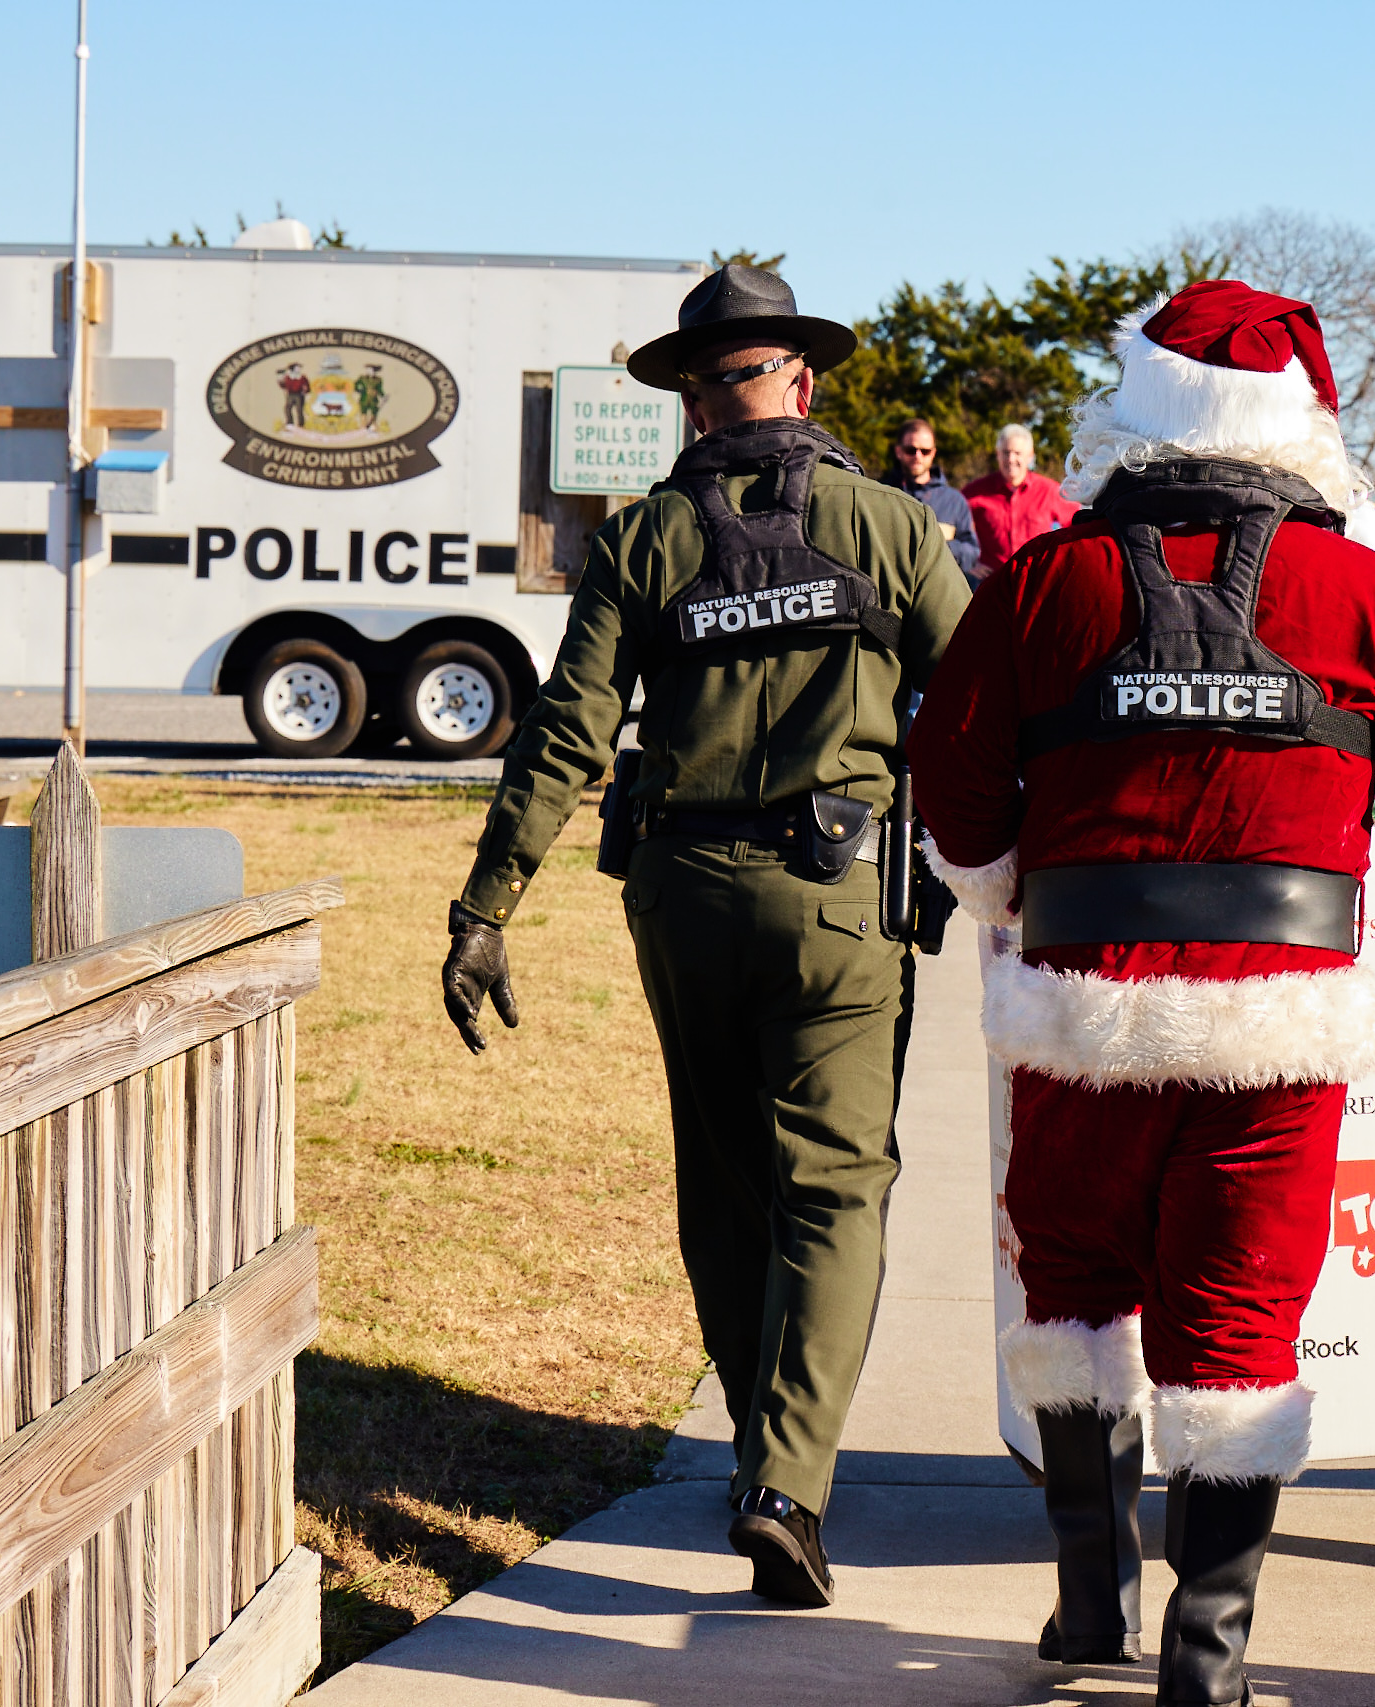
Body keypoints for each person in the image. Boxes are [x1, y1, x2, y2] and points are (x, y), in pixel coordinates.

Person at [910, 279, 1375, 1701]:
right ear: (1296, 428)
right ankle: (1209, 1657)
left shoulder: (1044, 581)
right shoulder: (1361, 588)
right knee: (1239, 1321)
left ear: (1136, 414)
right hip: (1280, 1031)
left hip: (1078, 1015)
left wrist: (1006, 875)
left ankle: (1088, 1605)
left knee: (1069, 1296)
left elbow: (947, 774)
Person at [437, 263, 968, 1608]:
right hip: (843, 902)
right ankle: (790, 1479)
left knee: (727, 1185)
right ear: (802, 380)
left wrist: (486, 904)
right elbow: (978, 707)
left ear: (693, 400)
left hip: (683, 895)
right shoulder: (890, 525)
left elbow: (566, 732)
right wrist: (994, 871)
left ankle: (755, 1453)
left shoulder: (642, 539)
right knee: (836, 1184)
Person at [962, 421, 1079, 580]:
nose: (1010, 459)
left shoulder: (1050, 491)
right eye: (1005, 452)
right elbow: (953, 530)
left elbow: (1077, 528)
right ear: (997, 454)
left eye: (1017, 453)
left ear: (1030, 456)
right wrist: (967, 564)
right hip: (990, 585)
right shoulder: (975, 492)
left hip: (1035, 582)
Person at [884, 417, 981, 582]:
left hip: (940, 589)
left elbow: (971, 552)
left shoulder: (954, 500)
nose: (918, 456)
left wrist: (934, 547)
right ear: (898, 451)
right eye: (910, 450)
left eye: (925, 451)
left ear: (933, 453)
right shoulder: (882, 493)